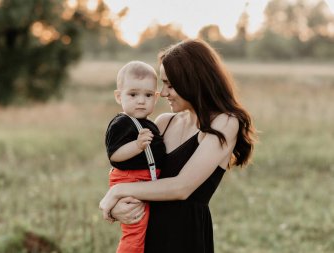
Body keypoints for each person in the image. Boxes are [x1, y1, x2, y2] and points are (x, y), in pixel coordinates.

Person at [100, 39, 257, 253]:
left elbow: (182, 187)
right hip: (147, 237)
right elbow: (134, 172)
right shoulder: (164, 123)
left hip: (185, 239)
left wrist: (117, 191)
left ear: (193, 82)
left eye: (170, 85)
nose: (163, 93)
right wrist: (116, 206)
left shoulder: (225, 122)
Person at [105, 61, 166, 253]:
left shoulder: (148, 123)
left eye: (148, 95)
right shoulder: (122, 123)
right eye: (133, 94)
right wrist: (137, 146)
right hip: (131, 178)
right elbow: (114, 154)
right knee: (135, 228)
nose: (141, 101)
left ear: (156, 98)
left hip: (144, 179)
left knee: (149, 229)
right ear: (118, 96)